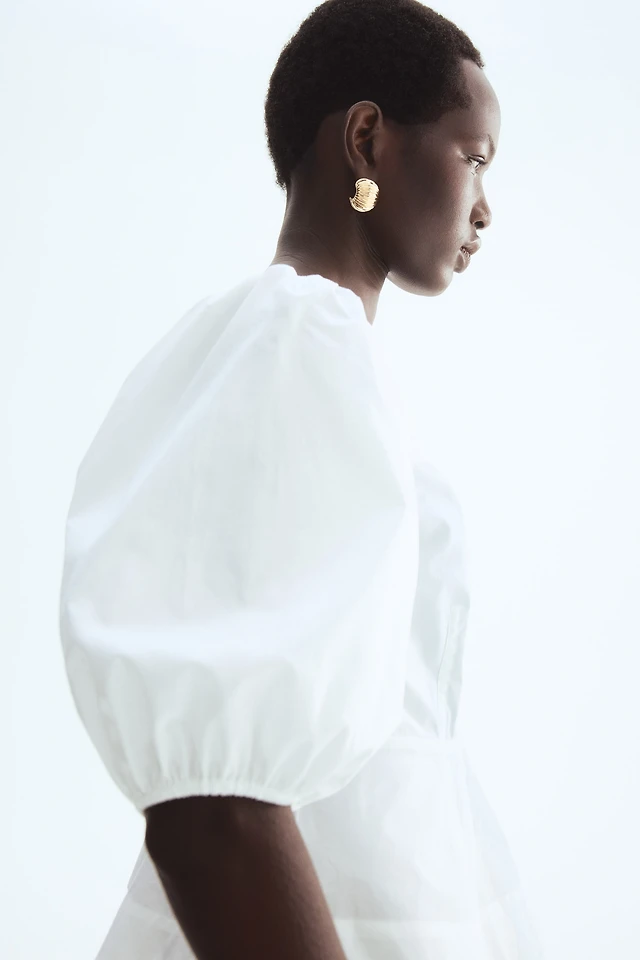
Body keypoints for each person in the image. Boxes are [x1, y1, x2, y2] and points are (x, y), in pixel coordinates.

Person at [58, 1, 545, 958]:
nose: (486, 207)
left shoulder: (307, 355)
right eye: (475, 156)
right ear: (367, 140)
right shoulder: (297, 343)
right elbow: (210, 808)